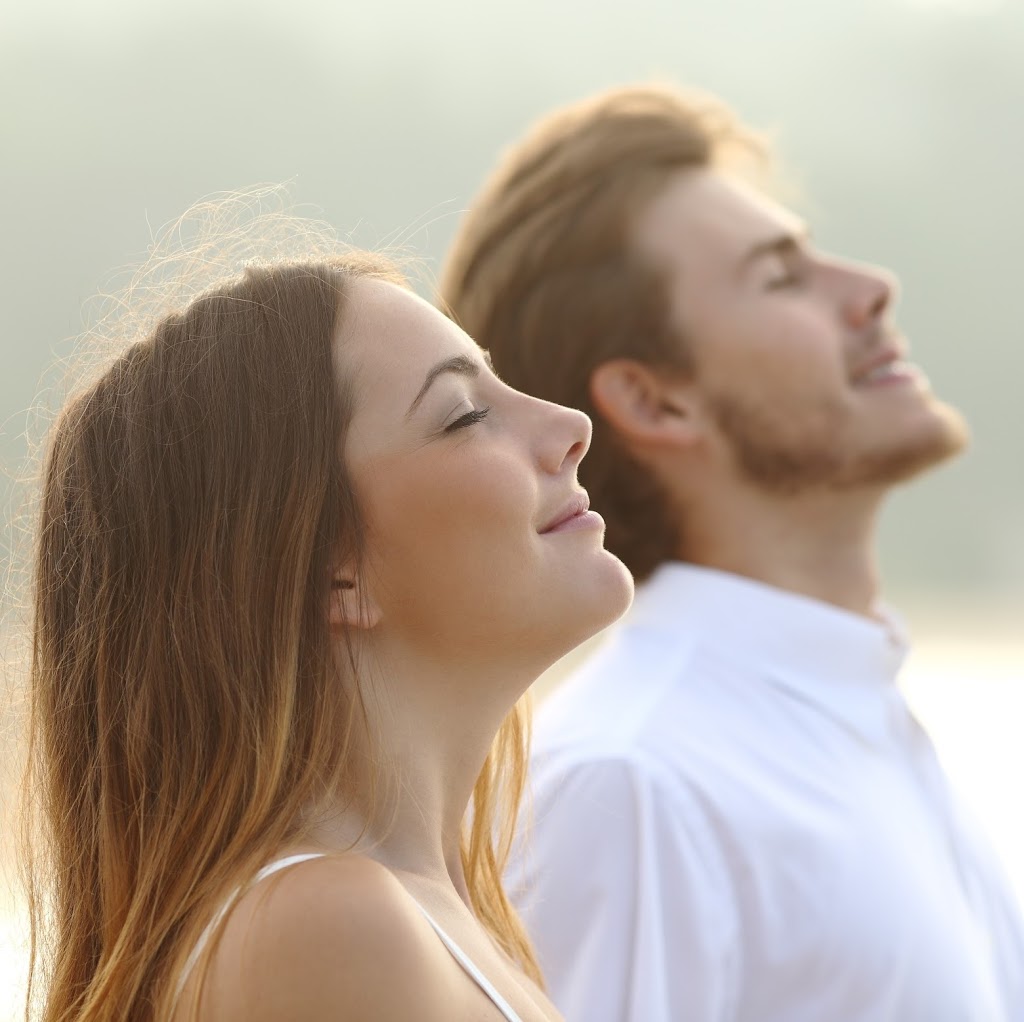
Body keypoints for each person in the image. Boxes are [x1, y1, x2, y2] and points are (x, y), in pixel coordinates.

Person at [439, 84, 1024, 1022]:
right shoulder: (632, 787)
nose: (872, 287)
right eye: (782, 276)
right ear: (656, 400)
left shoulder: (854, 718)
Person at [24, 212, 634, 1021]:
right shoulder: (326, 928)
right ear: (330, 571)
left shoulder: (431, 918)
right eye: (464, 414)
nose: (570, 426)